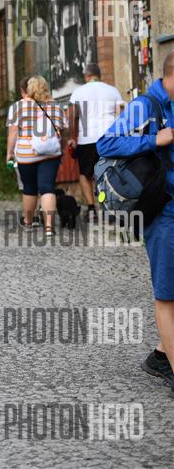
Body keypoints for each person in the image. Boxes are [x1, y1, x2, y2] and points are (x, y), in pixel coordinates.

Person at [97, 50, 174, 399]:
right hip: (163, 210)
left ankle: (160, 355)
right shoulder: (146, 105)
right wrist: (155, 139)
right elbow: (106, 143)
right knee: (167, 294)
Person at [6, 75, 69, 236]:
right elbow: (64, 130)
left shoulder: (18, 106)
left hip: (26, 154)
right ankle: (49, 227)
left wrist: (9, 152)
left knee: (29, 188)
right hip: (51, 153)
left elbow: (13, 132)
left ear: (28, 89)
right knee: (47, 187)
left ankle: (28, 222)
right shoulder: (55, 106)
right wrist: (60, 146)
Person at [67, 63, 125, 220]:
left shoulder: (78, 92)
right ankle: (109, 209)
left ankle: (92, 209)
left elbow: (71, 116)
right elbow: (121, 116)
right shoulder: (113, 91)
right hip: (109, 138)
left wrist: (72, 137)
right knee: (110, 173)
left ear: (86, 76)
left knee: (85, 175)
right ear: (99, 75)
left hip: (86, 139)